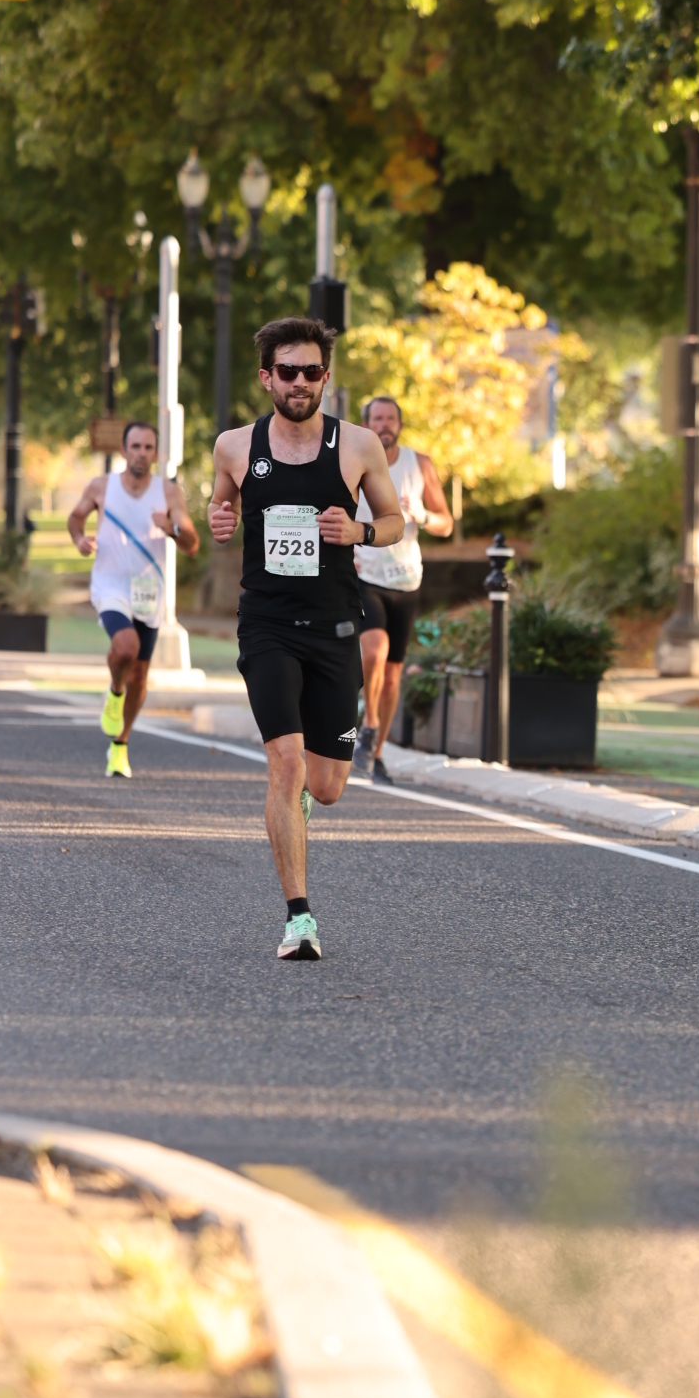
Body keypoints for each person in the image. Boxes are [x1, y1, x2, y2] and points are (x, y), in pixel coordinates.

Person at [207, 316, 404, 961]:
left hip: (335, 627)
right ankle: (299, 919)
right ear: (267, 377)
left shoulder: (358, 446)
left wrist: (360, 531)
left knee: (326, 786)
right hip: (266, 624)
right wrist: (218, 519)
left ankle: (299, 807)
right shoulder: (235, 446)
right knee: (285, 764)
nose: (300, 382)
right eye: (287, 371)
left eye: (311, 371)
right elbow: (222, 508)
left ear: (326, 376)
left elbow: (395, 521)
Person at [67, 418, 198, 778]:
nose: (141, 453)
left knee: (140, 675)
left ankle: (120, 745)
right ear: (124, 450)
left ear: (156, 453)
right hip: (110, 585)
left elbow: (191, 544)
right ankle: (114, 690)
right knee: (125, 648)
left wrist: (170, 527)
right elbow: (75, 518)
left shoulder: (168, 492)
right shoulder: (101, 486)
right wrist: (79, 539)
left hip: (149, 591)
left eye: (148, 447)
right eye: (135, 446)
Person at [351, 393, 454, 780]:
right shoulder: (355, 460)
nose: (384, 425)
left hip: (406, 579)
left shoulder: (419, 464)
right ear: (366, 424)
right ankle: (369, 721)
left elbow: (446, 524)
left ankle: (375, 753)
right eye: (377, 419)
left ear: (400, 425)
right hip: (366, 574)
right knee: (374, 650)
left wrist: (423, 515)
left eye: (390, 419)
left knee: (394, 674)